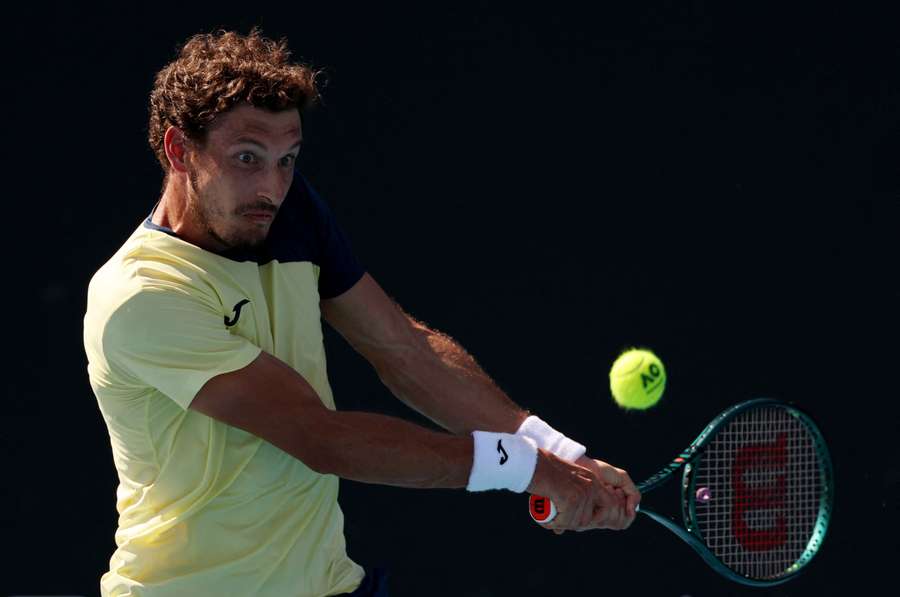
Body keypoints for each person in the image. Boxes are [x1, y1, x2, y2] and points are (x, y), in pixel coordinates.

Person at [83, 28, 640, 597]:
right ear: (180, 151)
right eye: (247, 158)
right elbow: (320, 437)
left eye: (287, 160)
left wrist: (562, 455)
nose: (271, 187)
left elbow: (402, 349)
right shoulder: (141, 295)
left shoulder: (285, 213)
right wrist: (525, 467)